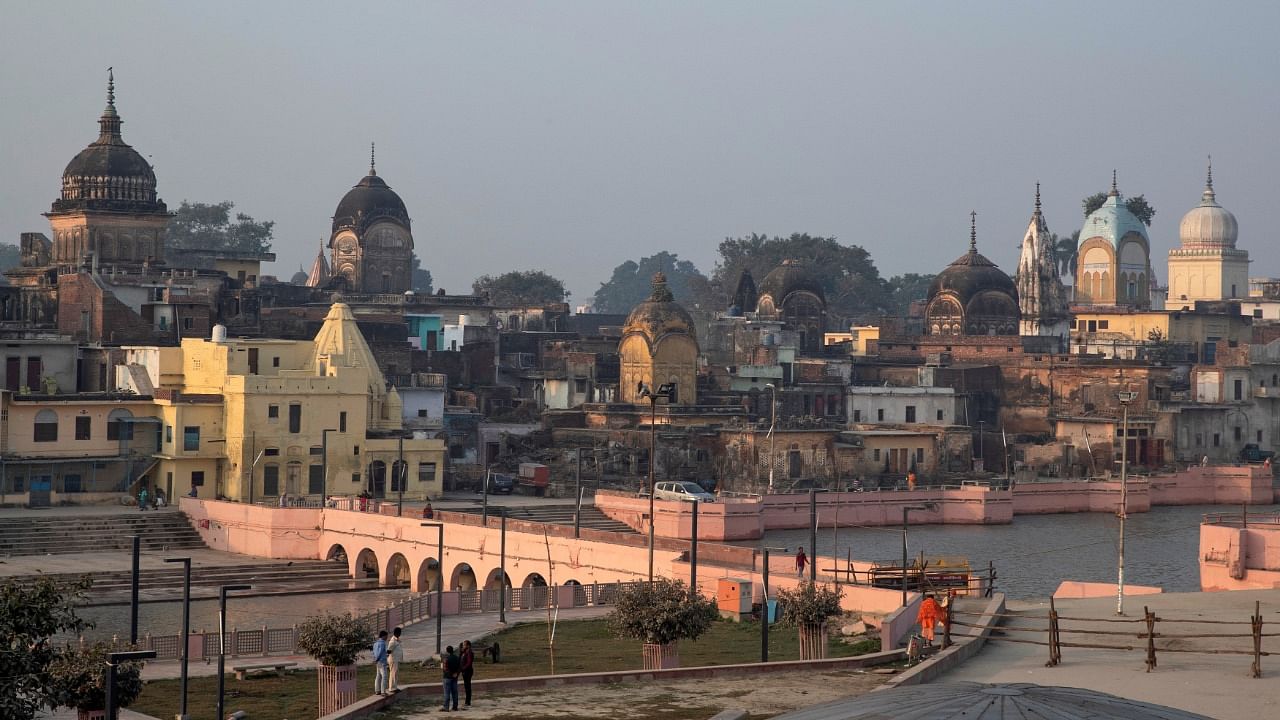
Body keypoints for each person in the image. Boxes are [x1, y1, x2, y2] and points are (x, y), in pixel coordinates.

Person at [441, 645, 461, 711]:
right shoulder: (457, 658)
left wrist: (451, 673)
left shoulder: (446, 659)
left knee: (447, 693)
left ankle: (446, 707)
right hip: (455, 677)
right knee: (455, 692)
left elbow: (445, 669)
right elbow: (459, 667)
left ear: (447, 651)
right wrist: (456, 673)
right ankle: (455, 707)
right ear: (453, 650)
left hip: (447, 677)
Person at [372, 630, 389, 696]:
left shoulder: (375, 643)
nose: (387, 638)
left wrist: (375, 659)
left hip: (378, 662)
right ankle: (383, 692)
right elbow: (380, 652)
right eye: (386, 636)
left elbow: (374, 652)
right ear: (383, 636)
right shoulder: (382, 643)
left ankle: (377, 690)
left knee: (378, 676)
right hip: (381, 662)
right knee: (384, 676)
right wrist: (377, 659)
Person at [387, 627, 404, 693]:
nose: (400, 634)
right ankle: (391, 688)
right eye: (399, 632)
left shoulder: (397, 640)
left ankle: (395, 687)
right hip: (393, 660)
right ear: (397, 633)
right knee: (393, 673)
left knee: (395, 673)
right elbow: (388, 651)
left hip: (396, 660)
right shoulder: (392, 641)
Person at [460, 639, 475, 706]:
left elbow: (469, 663)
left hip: (467, 671)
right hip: (464, 671)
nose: (463, 646)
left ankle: (468, 701)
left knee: (468, 686)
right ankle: (467, 701)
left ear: (468, 646)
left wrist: (463, 668)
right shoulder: (465, 652)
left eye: (464, 645)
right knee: (466, 686)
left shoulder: (469, 653)